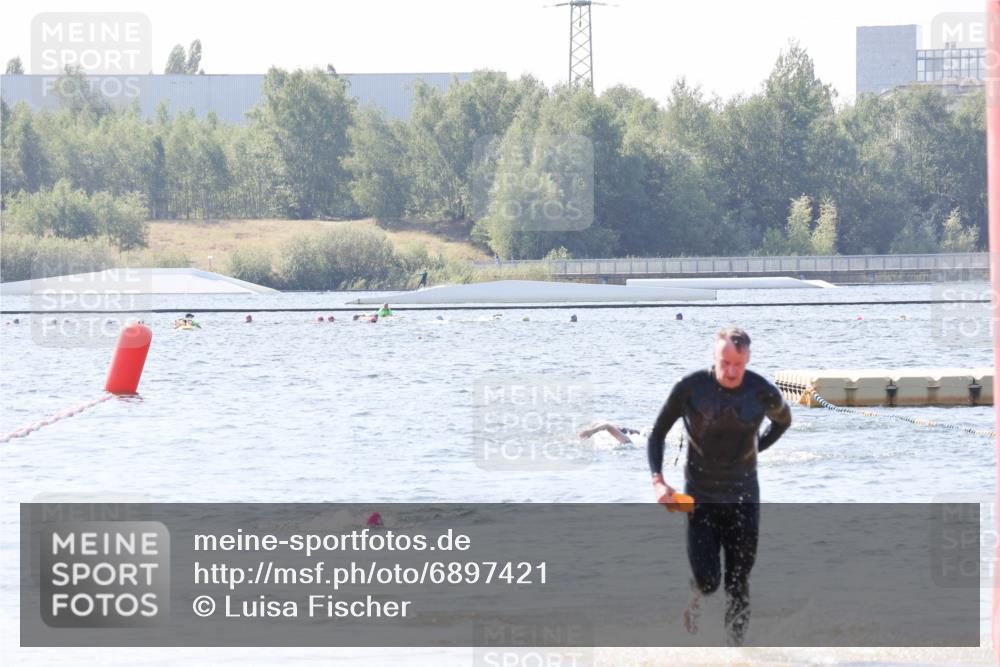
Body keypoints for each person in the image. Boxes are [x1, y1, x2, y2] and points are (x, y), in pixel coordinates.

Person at [647, 327, 791, 646]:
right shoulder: (690, 388)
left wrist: (756, 447)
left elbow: (784, 421)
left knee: (738, 582)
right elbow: (657, 434)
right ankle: (697, 595)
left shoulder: (762, 392)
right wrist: (658, 480)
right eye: (725, 363)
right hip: (701, 499)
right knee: (709, 580)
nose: (731, 371)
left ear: (747, 359)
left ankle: (735, 655)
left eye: (738, 364)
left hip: (744, 497)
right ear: (714, 357)